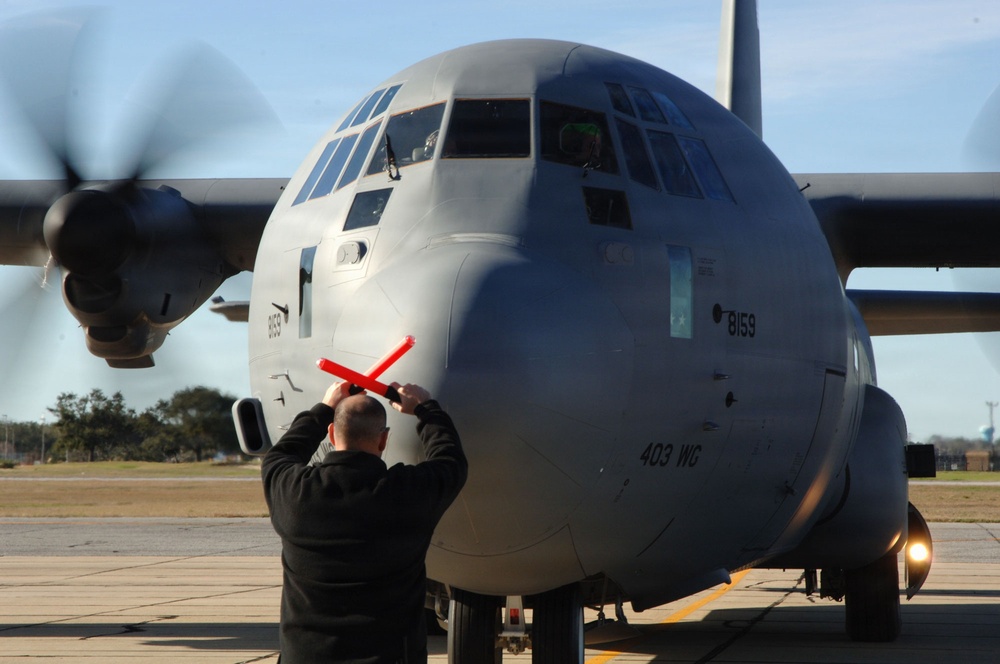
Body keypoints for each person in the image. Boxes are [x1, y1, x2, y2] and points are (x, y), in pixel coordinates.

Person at [262, 380, 468, 663]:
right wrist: (425, 409)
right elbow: (450, 461)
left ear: (331, 434)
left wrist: (323, 409)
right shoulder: (407, 493)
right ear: (383, 439)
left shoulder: (294, 491)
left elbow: (281, 454)